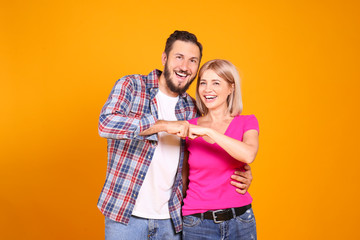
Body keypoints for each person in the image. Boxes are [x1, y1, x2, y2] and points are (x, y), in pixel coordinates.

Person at [98, 31, 253, 240]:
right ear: (164, 58)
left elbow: (205, 158)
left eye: (192, 61)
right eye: (178, 57)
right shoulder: (132, 86)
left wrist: (240, 172)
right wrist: (160, 125)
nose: (184, 66)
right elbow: (105, 124)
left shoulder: (193, 108)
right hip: (125, 215)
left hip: (172, 220)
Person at [182, 59, 259, 240]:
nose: (208, 89)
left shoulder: (247, 122)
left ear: (231, 88)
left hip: (241, 220)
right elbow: (183, 179)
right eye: (203, 82)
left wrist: (209, 131)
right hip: (197, 222)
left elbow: (248, 154)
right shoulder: (188, 127)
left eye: (216, 83)